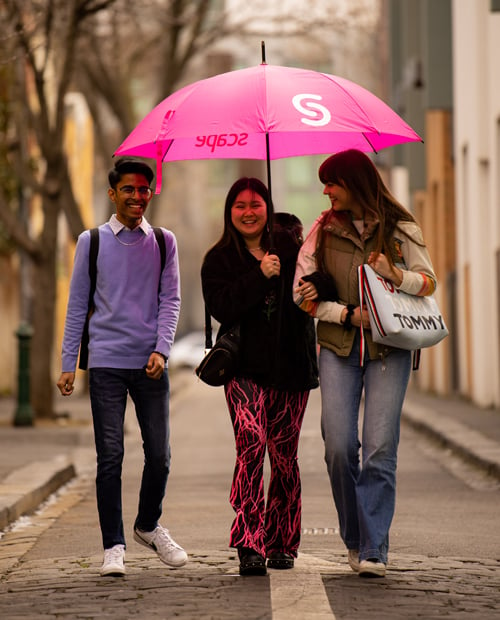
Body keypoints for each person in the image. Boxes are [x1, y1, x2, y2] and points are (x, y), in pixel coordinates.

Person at [293, 149, 438, 578]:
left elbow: (428, 280)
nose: (326, 191)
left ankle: (374, 548)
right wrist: (344, 314)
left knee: (379, 447)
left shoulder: (401, 227)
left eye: (332, 183)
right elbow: (301, 296)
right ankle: (354, 537)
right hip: (338, 348)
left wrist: (397, 276)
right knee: (339, 447)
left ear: (354, 183)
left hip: (389, 349)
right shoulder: (321, 231)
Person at [57, 157, 187, 577]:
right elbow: (78, 305)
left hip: (150, 364)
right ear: (112, 193)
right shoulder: (91, 241)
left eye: (144, 189)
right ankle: (113, 544)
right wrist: (68, 364)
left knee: (161, 456)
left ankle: (147, 526)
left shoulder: (164, 242)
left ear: (152, 193)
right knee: (110, 456)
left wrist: (161, 350)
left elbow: (171, 301)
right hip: (107, 363)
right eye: (128, 189)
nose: (137, 196)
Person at [201, 177, 319, 576]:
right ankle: (248, 541)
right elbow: (222, 307)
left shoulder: (292, 247)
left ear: (267, 207)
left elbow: (317, 285)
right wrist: (259, 274)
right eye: (240, 206)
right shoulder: (217, 259)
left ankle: (282, 540)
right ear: (229, 211)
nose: (248, 212)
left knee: (284, 458)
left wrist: (299, 275)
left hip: (291, 368)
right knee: (251, 446)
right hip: (243, 370)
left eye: (256, 204)